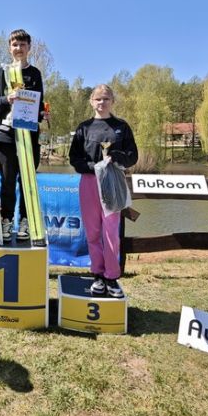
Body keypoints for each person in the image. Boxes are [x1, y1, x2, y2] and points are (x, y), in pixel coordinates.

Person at [69, 84, 138, 298]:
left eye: (106, 98)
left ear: (112, 101)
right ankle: (98, 274)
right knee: (93, 232)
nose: (102, 102)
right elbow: (74, 159)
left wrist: (117, 158)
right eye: (98, 99)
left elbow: (133, 156)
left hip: (112, 181)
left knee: (111, 232)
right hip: (90, 181)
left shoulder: (121, 127)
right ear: (91, 101)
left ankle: (111, 276)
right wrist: (94, 167)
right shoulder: (84, 127)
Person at [0, 29, 47, 243]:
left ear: (29, 48)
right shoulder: (2, 73)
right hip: (5, 135)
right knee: (7, 181)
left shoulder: (35, 74)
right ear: (9, 48)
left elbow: (37, 105)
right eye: (14, 44)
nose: (18, 48)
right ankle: (6, 220)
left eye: (22, 44)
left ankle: (25, 222)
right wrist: (7, 99)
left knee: (28, 181)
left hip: (29, 136)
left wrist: (42, 114)